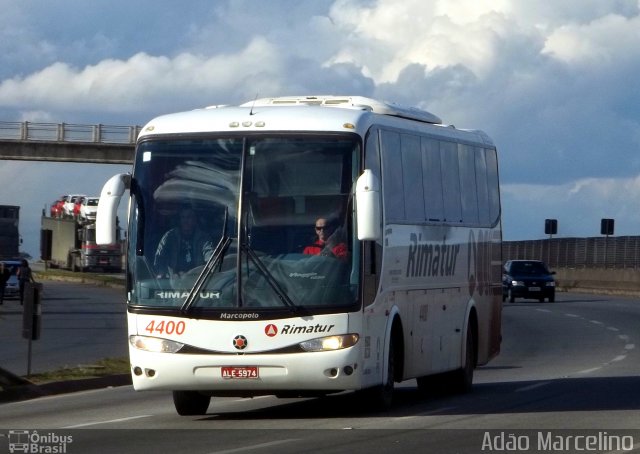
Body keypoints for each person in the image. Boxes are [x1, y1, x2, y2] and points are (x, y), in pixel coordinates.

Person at [154, 207, 213, 279]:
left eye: (189, 217)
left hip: (197, 280)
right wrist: (161, 273)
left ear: (195, 220)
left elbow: (210, 255)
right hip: (173, 281)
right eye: (183, 217)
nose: (185, 220)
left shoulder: (203, 238)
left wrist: (212, 267)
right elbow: (159, 257)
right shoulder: (170, 236)